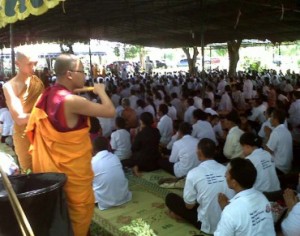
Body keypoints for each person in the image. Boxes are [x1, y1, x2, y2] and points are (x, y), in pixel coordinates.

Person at [26, 54, 115, 236]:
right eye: (82, 71)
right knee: (76, 217)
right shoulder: (72, 101)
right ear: (69, 74)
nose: (85, 75)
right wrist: (101, 91)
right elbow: (110, 111)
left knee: (61, 214)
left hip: (51, 172)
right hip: (73, 176)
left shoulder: (48, 94)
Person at [165, 139, 234, 234]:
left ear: (199, 152)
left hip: (208, 225)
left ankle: (182, 217)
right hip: (228, 222)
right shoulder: (225, 169)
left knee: (170, 198)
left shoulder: (193, 173)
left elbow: (189, 206)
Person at [3, 50, 44, 172]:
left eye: (35, 63)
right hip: (24, 135)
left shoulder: (37, 81)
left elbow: (43, 105)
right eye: (29, 64)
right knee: (30, 173)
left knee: (47, 170)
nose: (34, 67)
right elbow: (19, 119)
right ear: (17, 64)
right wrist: (47, 115)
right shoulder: (9, 86)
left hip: (42, 131)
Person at [215, 158, 275, 236]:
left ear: (234, 182)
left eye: (227, 173)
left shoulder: (230, 211)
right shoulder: (262, 198)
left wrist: (226, 209)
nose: (225, 175)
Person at [92, 137, 132, 210]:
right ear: (108, 146)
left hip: (104, 201)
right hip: (123, 196)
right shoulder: (114, 157)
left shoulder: (93, 162)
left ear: (93, 148)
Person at [122, 112, 161, 176]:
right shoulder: (156, 131)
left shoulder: (141, 133)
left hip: (143, 163)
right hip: (155, 163)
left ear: (142, 121)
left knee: (123, 162)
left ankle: (136, 166)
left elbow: (133, 148)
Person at [264, 109, 293, 175]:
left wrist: (268, 135)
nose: (269, 119)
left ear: (276, 119)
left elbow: (267, 151)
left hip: (279, 167)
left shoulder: (276, 132)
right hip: (287, 166)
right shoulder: (286, 131)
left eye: (271, 117)